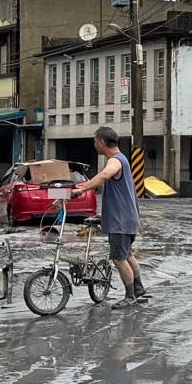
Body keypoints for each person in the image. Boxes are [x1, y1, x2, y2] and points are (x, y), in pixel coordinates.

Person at [72, 127, 145, 309]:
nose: (94, 144)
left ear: (102, 142)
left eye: (95, 141)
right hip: (127, 218)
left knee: (119, 259)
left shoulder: (115, 161)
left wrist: (81, 189)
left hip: (121, 221)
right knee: (126, 254)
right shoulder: (122, 159)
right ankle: (138, 288)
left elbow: (104, 175)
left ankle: (130, 296)